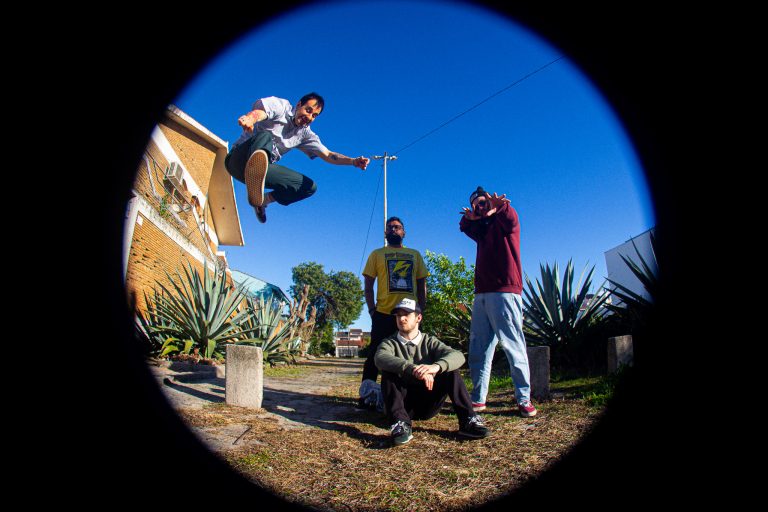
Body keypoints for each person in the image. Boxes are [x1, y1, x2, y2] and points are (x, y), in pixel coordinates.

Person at [224, 93, 370, 223]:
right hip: (237, 160)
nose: (309, 117)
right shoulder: (282, 107)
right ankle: (256, 168)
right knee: (265, 137)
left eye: (314, 116)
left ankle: (262, 201)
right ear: (299, 104)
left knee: (309, 187)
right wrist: (251, 118)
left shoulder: (305, 135)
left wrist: (352, 161)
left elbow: (328, 155)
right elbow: (261, 112)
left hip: (261, 169)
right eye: (308, 110)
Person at [459, 186, 537, 417]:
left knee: (513, 346)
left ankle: (524, 398)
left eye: (483, 202)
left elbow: (511, 219)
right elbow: (464, 226)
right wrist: (472, 217)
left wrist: (500, 207)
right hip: (481, 294)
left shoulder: (504, 222)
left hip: (505, 292)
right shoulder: (482, 230)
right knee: (479, 349)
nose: (480, 208)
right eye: (476, 205)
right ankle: (478, 398)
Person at [374, 298, 490, 446]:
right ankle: (400, 424)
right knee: (389, 372)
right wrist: (412, 368)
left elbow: (458, 356)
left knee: (450, 369)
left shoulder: (429, 341)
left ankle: (468, 420)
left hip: (428, 403)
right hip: (402, 404)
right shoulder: (389, 343)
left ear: (418, 318)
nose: (401, 318)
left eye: (406, 314)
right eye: (398, 315)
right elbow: (380, 358)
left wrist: (436, 367)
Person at [358, 217, 428, 410]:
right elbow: (368, 286)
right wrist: (372, 310)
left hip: (410, 315)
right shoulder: (377, 254)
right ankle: (366, 396)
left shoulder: (414, 254)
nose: (393, 230)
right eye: (389, 227)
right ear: (385, 233)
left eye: (397, 227)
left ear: (404, 232)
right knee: (375, 355)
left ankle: (411, 396)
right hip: (383, 313)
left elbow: (422, 284)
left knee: (412, 354)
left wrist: (421, 309)